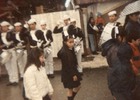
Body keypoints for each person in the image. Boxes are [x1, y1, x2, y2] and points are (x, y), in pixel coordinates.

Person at [108, 31, 140, 100]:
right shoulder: (122, 67)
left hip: (120, 88)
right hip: (119, 90)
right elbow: (124, 86)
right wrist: (130, 96)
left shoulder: (122, 61)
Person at [101, 26, 127, 99]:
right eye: (124, 37)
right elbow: (119, 67)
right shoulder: (116, 50)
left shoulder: (112, 45)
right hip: (117, 78)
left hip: (112, 74)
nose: (125, 40)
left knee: (116, 96)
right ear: (119, 37)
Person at [57, 27, 82, 100]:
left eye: (73, 42)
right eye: (70, 42)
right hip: (69, 73)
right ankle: (70, 98)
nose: (72, 44)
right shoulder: (64, 52)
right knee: (70, 89)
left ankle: (71, 98)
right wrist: (73, 74)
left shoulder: (69, 50)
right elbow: (67, 65)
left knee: (78, 86)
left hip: (72, 71)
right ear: (65, 42)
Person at [0, 21, 18, 86]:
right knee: (8, 67)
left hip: (11, 50)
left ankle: (15, 80)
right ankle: (11, 80)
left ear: (7, 27)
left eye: (5, 27)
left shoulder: (11, 33)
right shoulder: (1, 34)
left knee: (13, 65)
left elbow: (15, 41)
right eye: (2, 27)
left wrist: (10, 44)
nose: (4, 28)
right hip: (5, 51)